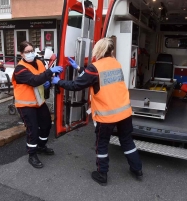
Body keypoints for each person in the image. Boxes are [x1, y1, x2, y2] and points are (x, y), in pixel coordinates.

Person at [52, 37, 143, 186]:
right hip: (125, 112)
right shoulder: (116, 63)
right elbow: (97, 78)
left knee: (102, 144)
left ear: (97, 50)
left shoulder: (95, 68)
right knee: (127, 141)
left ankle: (102, 174)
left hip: (106, 115)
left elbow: (77, 84)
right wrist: (79, 68)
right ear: (110, 50)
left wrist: (58, 82)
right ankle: (137, 169)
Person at [12, 41, 63, 168]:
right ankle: (32, 154)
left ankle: (41, 146)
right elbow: (34, 80)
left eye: (32, 50)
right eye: (27, 52)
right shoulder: (19, 69)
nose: (30, 53)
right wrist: (49, 72)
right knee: (32, 129)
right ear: (21, 54)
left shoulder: (39, 62)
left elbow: (43, 77)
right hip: (25, 105)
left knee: (46, 125)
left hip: (39, 102)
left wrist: (48, 82)